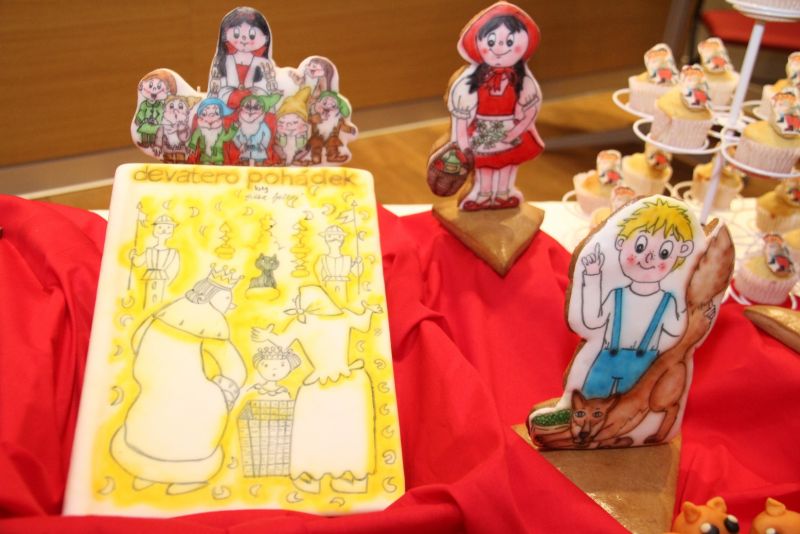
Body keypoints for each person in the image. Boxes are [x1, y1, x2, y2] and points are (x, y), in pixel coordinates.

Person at [111, 266, 246, 495]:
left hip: (152, 392)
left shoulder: (162, 317)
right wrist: (226, 388)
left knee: (150, 416)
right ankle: (188, 474)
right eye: (226, 300)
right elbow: (235, 369)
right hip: (188, 397)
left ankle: (146, 469)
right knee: (204, 410)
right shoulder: (210, 326)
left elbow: (136, 342)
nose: (229, 306)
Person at [251, 286, 381, 494]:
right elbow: (363, 324)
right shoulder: (344, 317)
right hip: (350, 380)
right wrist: (369, 311)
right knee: (346, 427)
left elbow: (282, 343)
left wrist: (267, 336)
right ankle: (351, 478)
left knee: (314, 426)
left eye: (299, 298)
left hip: (320, 383)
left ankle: (310, 477)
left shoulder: (302, 323)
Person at [578, 198, 697, 398]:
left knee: (629, 410)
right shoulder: (615, 295)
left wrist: (689, 296)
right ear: (620, 243)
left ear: (682, 251)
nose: (649, 258)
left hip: (643, 371)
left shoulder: (669, 303)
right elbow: (592, 321)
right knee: (590, 403)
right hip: (604, 365)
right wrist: (592, 276)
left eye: (664, 252)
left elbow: (677, 332)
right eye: (640, 247)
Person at [448, 3, 543, 210]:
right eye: (491, 42)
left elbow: (530, 111)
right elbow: (461, 115)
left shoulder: (522, 81)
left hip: (510, 129)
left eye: (510, 41)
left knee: (508, 163)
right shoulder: (470, 82)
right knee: (485, 165)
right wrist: (461, 142)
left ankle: (503, 193)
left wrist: (518, 130)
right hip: (483, 130)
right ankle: (482, 194)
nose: (500, 49)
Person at [209, 6, 278, 109]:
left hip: (254, 104)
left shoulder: (263, 63)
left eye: (252, 35)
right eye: (236, 34)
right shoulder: (223, 61)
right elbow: (216, 90)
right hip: (229, 102)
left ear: (265, 37)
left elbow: (269, 89)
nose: (244, 39)